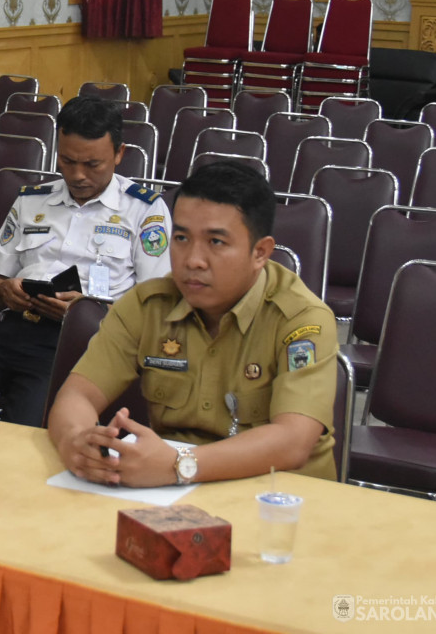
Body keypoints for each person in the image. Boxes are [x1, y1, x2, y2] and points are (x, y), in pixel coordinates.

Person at [48, 161, 338, 487]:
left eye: (215, 242)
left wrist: (179, 465)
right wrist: (77, 442)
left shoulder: (300, 319)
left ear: (260, 252)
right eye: (182, 237)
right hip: (168, 494)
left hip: (281, 499)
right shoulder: (147, 306)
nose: (192, 260)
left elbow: (293, 440)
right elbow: (78, 396)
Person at [0, 96, 172, 426]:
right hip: (11, 332)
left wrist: (86, 312)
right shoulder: (32, 200)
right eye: (67, 162)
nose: (78, 175)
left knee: (26, 426)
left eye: (92, 164)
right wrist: (8, 291)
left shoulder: (144, 210)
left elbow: (156, 306)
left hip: (86, 344)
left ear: (119, 154)